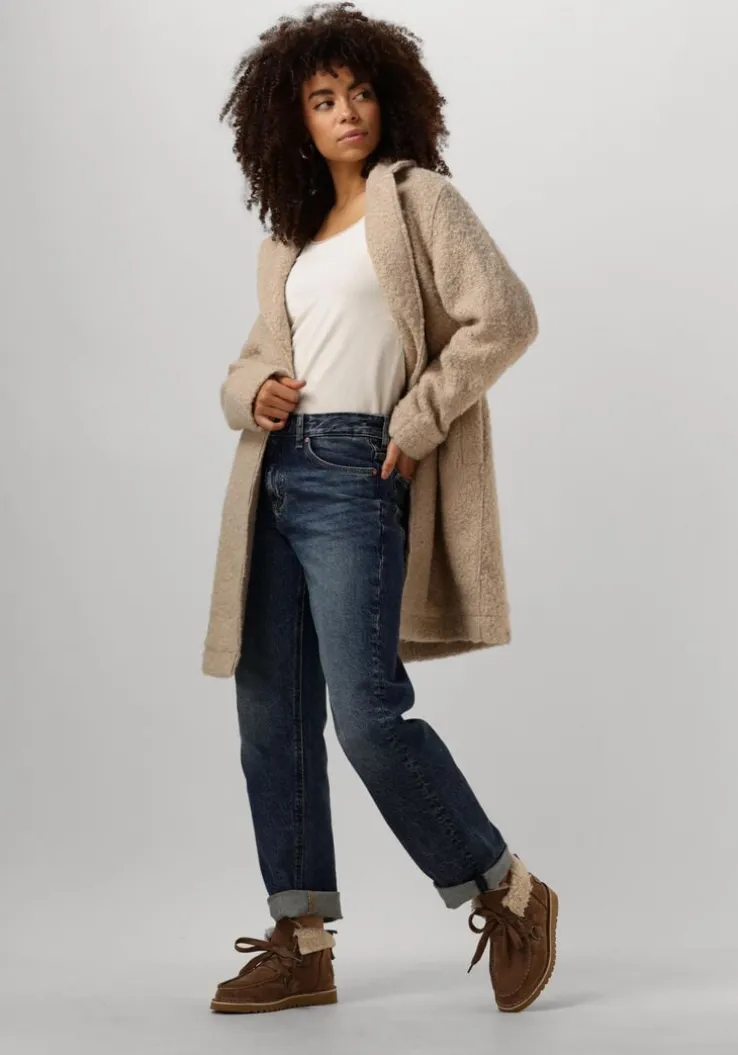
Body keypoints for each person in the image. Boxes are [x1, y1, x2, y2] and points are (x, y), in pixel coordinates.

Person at [204, 0, 557, 1016]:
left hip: (361, 469)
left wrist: (419, 416)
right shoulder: (289, 241)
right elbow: (246, 364)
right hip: (274, 477)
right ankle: (302, 940)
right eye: (323, 99)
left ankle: (508, 887)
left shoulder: (419, 200)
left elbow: (506, 315)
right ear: (294, 119)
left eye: (359, 92)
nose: (347, 111)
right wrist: (253, 393)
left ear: (389, 100)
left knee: (367, 716)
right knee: (271, 718)